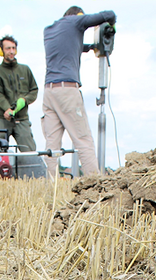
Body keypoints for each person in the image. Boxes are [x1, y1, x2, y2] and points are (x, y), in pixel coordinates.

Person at [42, 7, 116, 177]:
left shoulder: (49, 31)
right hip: (67, 91)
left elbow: (69, 45)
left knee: (51, 145)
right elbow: (109, 14)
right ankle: (95, 184)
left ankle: (51, 186)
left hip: (49, 93)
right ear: (77, 17)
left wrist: (89, 47)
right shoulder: (76, 21)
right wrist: (111, 25)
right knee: (83, 140)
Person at [0, 35, 38, 152]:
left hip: (22, 118)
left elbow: (34, 89)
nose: (11, 51)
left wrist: (25, 100)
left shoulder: (25, 69)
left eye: (13, 48)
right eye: (8, 48)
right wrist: (7, 109)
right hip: (2, 118)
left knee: (30, 151)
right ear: (1, 51)